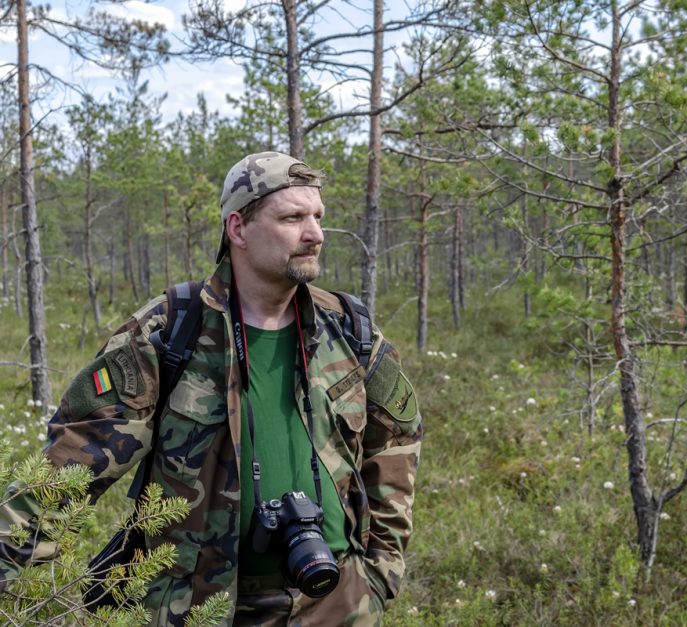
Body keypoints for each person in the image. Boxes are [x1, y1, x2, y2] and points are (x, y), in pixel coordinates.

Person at [0, 152, 422, 626]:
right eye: (292, 218)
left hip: (333, 603)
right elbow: (68, 470)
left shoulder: (351, 332)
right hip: (197, 609)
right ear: (238, 229)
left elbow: (397, 447)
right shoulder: (169, 332)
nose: (315, 234)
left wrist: (379, 575)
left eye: (318, 217)